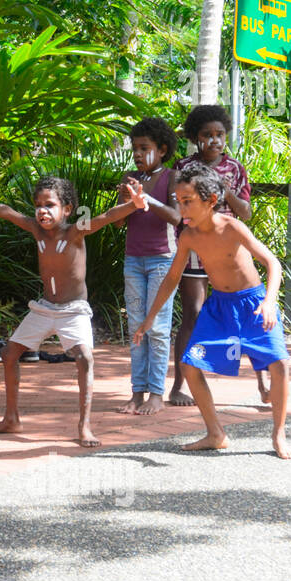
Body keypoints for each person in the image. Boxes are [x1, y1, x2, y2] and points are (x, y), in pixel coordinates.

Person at [0, 176, 146, 447]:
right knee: (9, 354)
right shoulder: (35, 229)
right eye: (38, 205)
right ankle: (11, 418)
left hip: (73, 310)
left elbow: (105, 216)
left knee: (85, 359)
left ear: (67, 209)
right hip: (44, 308)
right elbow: (5, 211)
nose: (42, 210)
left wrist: (133, 206)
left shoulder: (75, 230)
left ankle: (84, 425)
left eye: (50, 205)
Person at [133, 162, 291, 459]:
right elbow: (172, 278)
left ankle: (279, 433)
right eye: (179, 202)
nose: (182, 210)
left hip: (253, 304)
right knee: (189, 365)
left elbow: (273, 263)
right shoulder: (189, 236)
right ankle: (215, 433)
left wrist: (269, 302)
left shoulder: (232, 227)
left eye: (188, 202)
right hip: (219, 307)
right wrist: (150, 318)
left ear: (210, 201)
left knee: (280, 364)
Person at [168, 104, 257, 406]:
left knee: (243, 313)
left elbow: (244, 211)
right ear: (195, 137)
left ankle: (263, 381)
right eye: (207, 135)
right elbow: (178, 211)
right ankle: (179, 385)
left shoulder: (235, 169)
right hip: (193, 248)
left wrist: (226, 190)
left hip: (227, 251)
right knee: (192, 313)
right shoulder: (182, 167)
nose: (215, 140)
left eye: (220, 134)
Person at [115, 117, 181, 415]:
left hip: (162, 261)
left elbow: (177, 217)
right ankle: (137, 392)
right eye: (135, 149)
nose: (138, 154)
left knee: (157, 327)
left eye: (145, 148)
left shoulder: (172, 177)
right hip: (133, 260)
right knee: (135, 328)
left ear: (162, 149)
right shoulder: (130, 178)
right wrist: (126, 200)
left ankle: (156, 393)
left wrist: (146, 199)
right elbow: (118, 223)